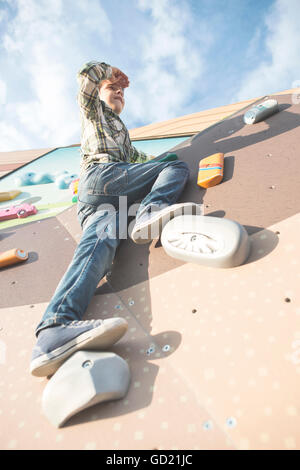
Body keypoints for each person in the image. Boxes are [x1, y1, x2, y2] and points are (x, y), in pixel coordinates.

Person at [30, 61, 200, 377]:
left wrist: (160, 160)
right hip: (101, 177)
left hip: (102, 204)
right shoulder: (93, 112)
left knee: (96, 251)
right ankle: (150, 212)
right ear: (99, 93)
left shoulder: (125, 140)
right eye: (112, 89)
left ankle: (54, 329)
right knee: (175, 169)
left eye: (121, 92)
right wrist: (108, 73)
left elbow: (145, 163)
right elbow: (85, 79)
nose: (119, 92)